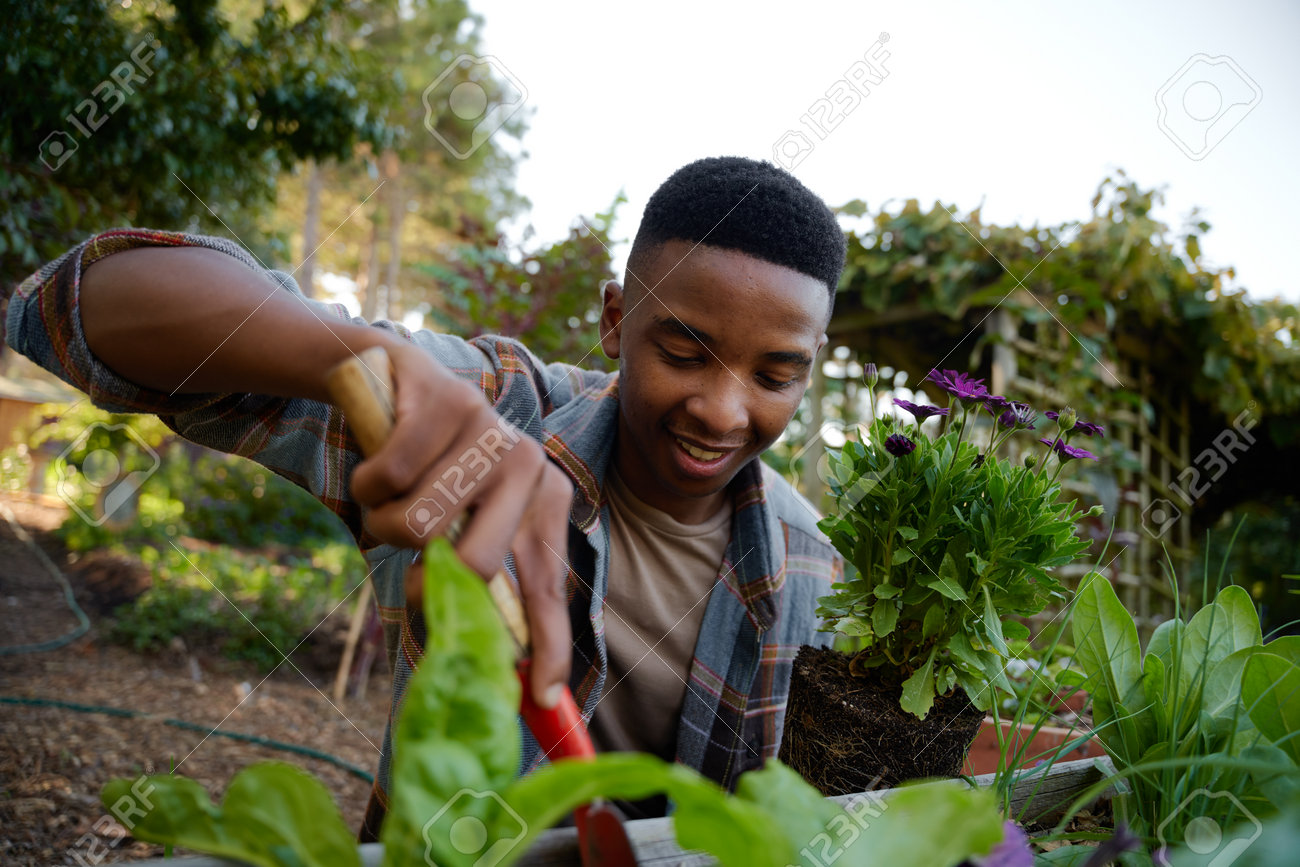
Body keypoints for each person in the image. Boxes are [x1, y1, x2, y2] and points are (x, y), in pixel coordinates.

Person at [4, 155, 846, 831]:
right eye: (686, 354)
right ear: (615, 322)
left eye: (775, 375)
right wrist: (359, 358)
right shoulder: (496, 414)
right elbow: (73, 309)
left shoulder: (812, 561)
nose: (724, 410)